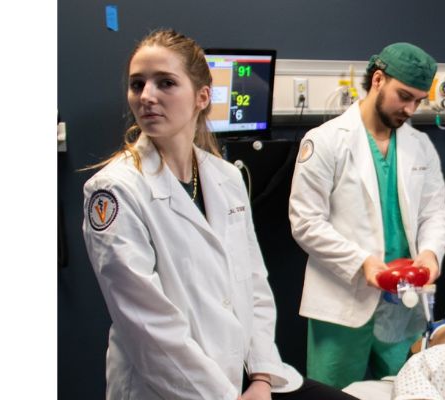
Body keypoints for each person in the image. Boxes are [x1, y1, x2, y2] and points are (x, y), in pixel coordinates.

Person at [82, 29, 356, 400]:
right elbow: (148, 328)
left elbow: (254, 282)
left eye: (165, 83)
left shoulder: (226, 177)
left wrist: (261, 376)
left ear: (202, 97)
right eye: (137, 84)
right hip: (174, 387)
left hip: (244, 372)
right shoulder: (115, 191)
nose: (147, 96)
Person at [288, 42, 445, 389]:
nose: (410, 108)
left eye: (418, 100)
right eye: (404, 96)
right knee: (332, 393)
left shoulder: (419, 145)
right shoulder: (326, 141)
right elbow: (305, 222)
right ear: (378, 79)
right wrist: (362, 262)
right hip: (342, 299)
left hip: (401, 302)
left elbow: (435, 212)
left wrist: (430, 253)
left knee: (402, 389)